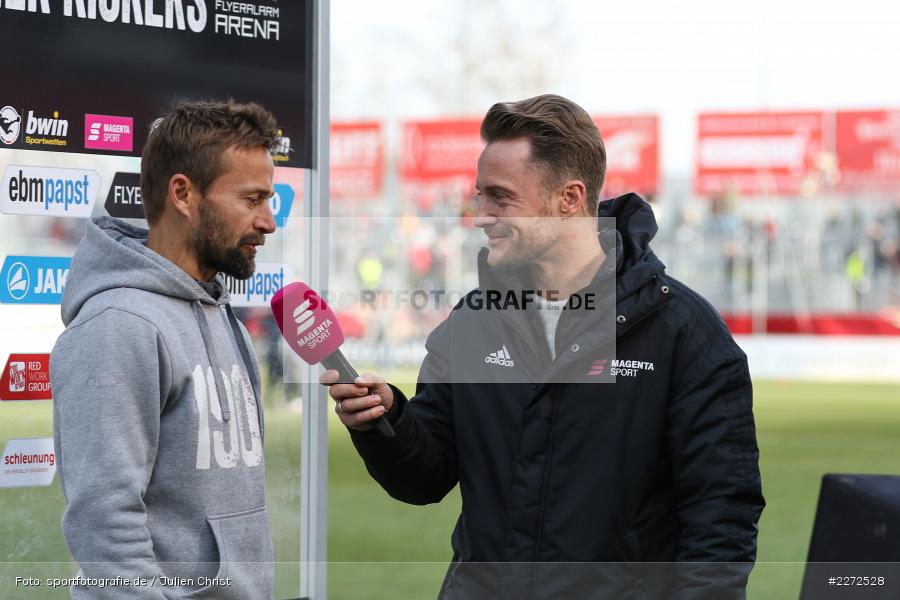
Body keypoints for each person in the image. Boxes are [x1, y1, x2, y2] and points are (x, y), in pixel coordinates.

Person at [322, 94, 765, 599]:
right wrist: (387, 422)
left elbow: (721, 520)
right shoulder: (472, 323)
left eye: (500, 197)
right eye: (478, 195)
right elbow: (425, 477)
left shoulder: (683, 334)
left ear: (570, 199)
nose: (479, 215)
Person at [51, 100, 278, 599]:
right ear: (183, 193)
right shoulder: (118, 326)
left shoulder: (224, 315)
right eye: (252, 199)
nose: (268, 221)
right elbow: (104, 526)